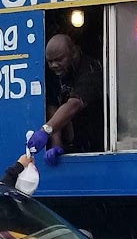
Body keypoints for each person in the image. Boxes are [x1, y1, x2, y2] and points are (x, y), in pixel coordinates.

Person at [28, 34, 104, 162]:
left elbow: (74, 104)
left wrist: (45, 131)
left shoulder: (90, 70)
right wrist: (56, 144)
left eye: (59, 59)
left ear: (74, 53)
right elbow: (53, 106)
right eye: (50, 61)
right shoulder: (54, 74)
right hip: (74, 142)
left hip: (98, 142)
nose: (54, 65)